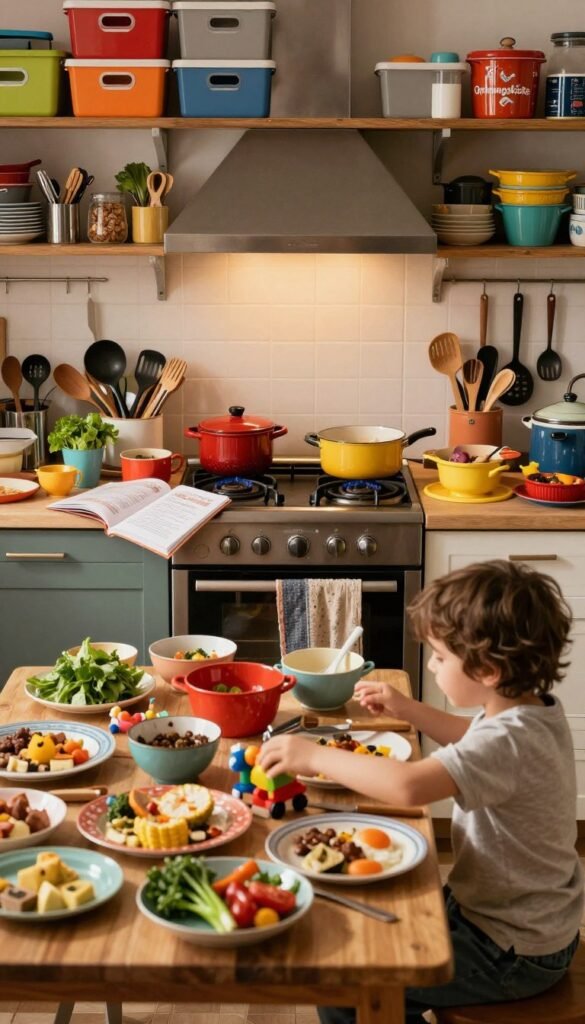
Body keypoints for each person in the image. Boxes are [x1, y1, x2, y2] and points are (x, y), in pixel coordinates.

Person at [258, 560, 584, 1024]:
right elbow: (468, 736)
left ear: (488, 669)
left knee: (348, 990)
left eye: (439, 657)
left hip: (512, 948)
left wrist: (313, 757)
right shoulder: (531, 711)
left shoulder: (507, 741)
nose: (431, 664)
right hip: (519, 917)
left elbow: (408, 787)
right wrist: (408, 709)